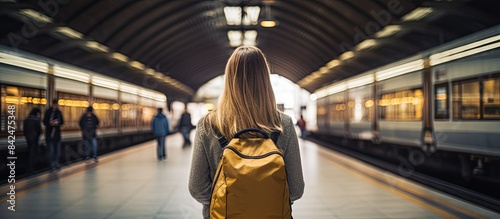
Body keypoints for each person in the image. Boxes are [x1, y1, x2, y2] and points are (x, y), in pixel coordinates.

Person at [189, 46, 305, 218]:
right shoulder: (284, 124)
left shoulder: (208, 124)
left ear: (229, 79)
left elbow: (197, 188)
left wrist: (228, 200)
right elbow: (296, 190)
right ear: (264, 79)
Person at [43, 99, 64, 171]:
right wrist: (51, 123)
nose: (56, 106)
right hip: (50, 135)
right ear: (53, 104)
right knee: (51, 151)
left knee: (57, 151)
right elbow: (45, 122)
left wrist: (57, 123)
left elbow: (62, 122)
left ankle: (56, 163)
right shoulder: (48, 112)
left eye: (56, 105)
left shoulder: (59, 113)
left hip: (57, 135)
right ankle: (51, 165)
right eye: (55, 104)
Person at [23, 107, 42, 173]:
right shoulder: (36, 120)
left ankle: (28, 167)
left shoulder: (26, 120)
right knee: (33, 154)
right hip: (35, 140)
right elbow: (39, 131)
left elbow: (24, 130)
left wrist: (27, 136)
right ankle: (31, 168)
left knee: (29, 153)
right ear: (37, 113)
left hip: (28, 139)